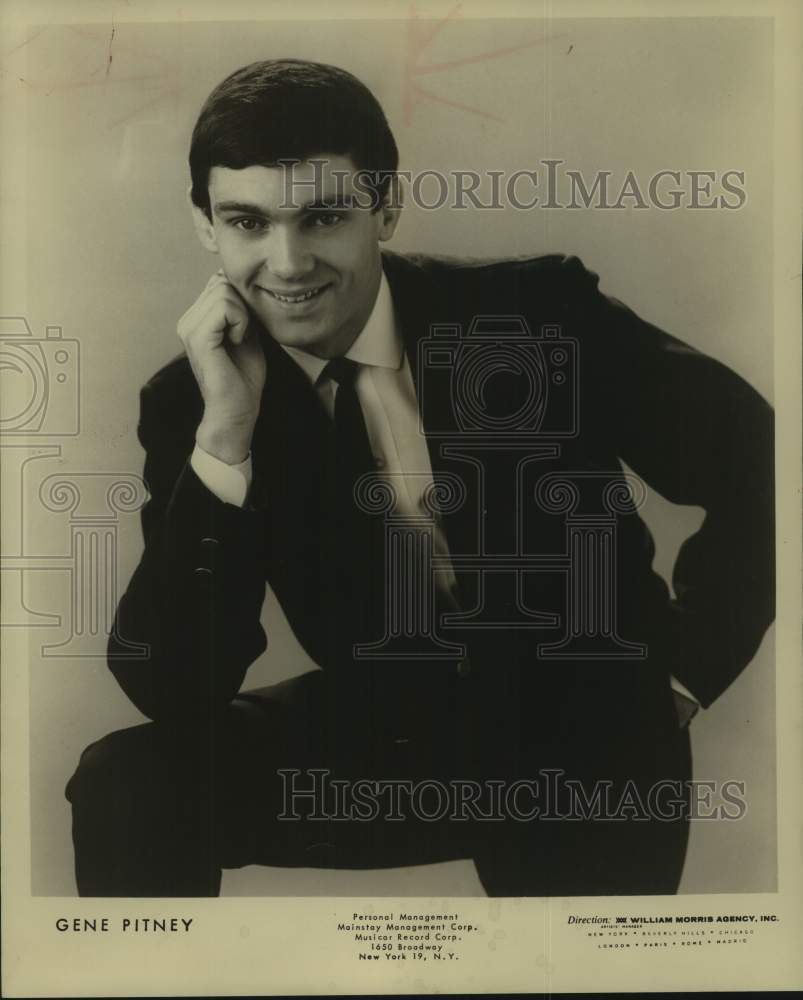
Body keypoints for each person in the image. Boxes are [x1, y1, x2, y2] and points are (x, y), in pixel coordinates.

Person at [65, 59, 775, 897]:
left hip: (587, 731)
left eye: (323, 216)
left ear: (385, 207)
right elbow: (170, 686)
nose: (286, 263)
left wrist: (684, 673)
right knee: (130, 783)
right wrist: (226, 434)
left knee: (565, 962)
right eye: (247, 222)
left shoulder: (536, 312)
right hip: (386, 738)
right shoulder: (196, 400)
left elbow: (765, 464)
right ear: (204, 224)